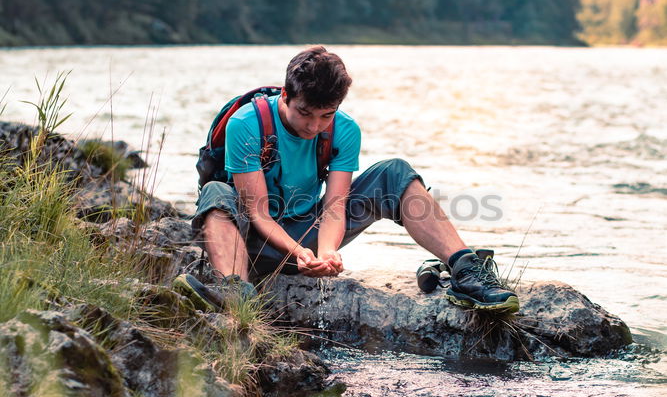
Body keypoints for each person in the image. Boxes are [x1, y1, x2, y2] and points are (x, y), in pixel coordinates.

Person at [176, 46, 518, 313]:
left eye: (326, 115)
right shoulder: (246, 124)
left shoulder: (344, 129)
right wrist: (299, 252)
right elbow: (258, 214)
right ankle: (236, 295)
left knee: (395, 172)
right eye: (304, 113)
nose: (313, 127)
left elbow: (335, 208)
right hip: (251, 244)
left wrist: (326, 253)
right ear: (285, 96)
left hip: (306, 237)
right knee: (216, 192)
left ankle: (466, 270)